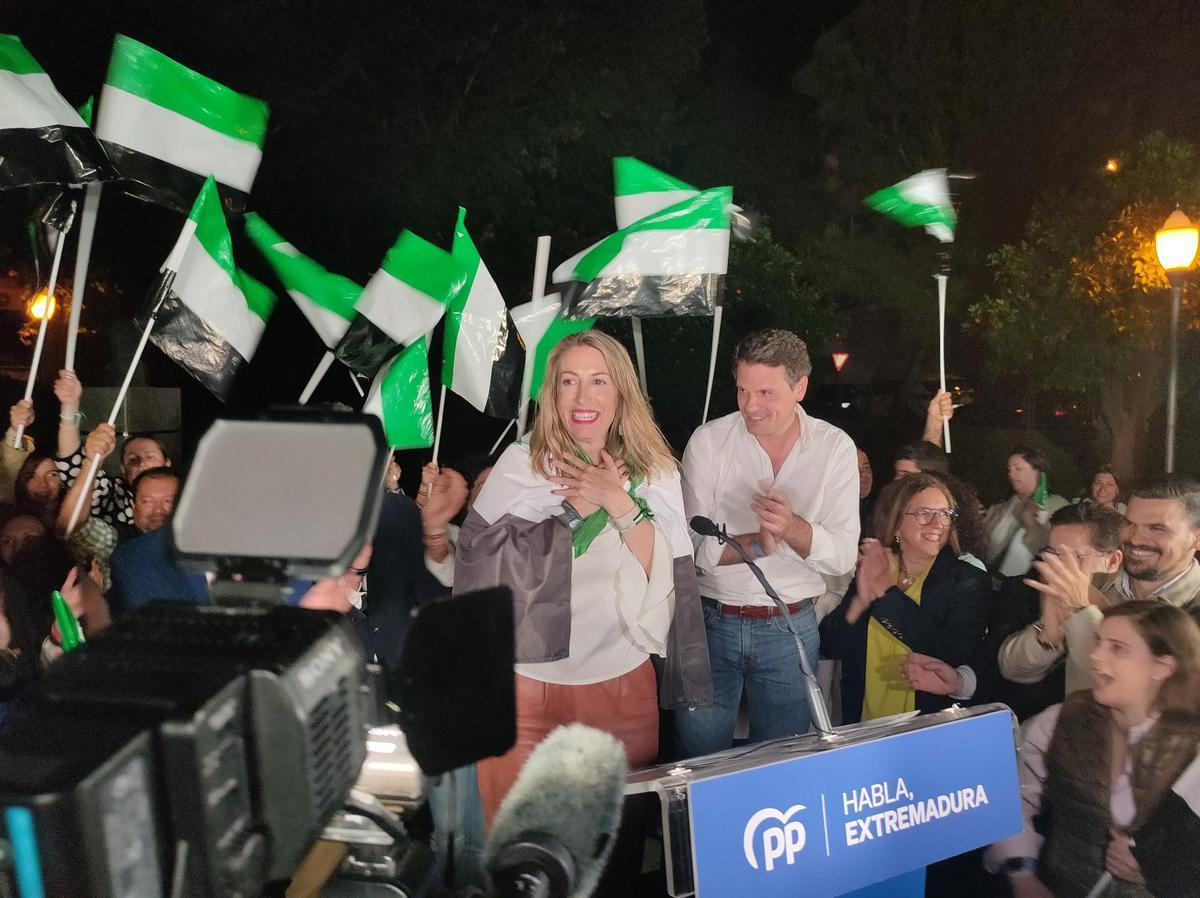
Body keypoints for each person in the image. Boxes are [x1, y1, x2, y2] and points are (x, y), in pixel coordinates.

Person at [453, 330, 708, 825]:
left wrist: (616, 501)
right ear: (552, 393)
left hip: (618, 685)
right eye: (569, 381)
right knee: (518, 843)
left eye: (598, 381)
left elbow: (674, 568)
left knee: (610, 844)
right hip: (522, 687)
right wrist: (574, 512)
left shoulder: (653, 472)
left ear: (621, 395)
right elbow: (478, 563)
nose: (582, 396)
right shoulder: (520, 464)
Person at [676, 329, 858, 754]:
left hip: (790, 625)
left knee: (783, 760)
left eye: (765, 393)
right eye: (742, 390)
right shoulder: (709, 441)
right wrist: (758, 543)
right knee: (700, 760)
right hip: (710, 621)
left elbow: (843, 556)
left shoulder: (834, 449)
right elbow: (688, 546)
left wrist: (793, 528)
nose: (750, 407)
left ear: (800, 387)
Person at [985, 601, 1200, 898]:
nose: (1095, 655)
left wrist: (1165, 871)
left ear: (1163, 666)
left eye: (1118, 648)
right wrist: (1022, 873)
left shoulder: (1192, 750)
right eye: (1099, 641)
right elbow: (1010, 794)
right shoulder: (1063, 719)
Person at [903, 501, 1125, 721]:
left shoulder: (1133, 609)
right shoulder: (1025, 590)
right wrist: (1047, 636)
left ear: (1112, 561)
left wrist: (1079, 612)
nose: (1058, 567)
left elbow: (1109, 682)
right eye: (1051, 554)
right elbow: (1006, 665)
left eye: (1074, 557)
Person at [999, 479, 1200, 697]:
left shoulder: (1193, 610)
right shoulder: (1096, 580)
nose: (1136, 539)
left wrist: (1080, 614)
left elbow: (1144, 700)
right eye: (1130, 524)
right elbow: (1012, 669)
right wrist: (1047, 637)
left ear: (1196, 538)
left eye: (1157, 528)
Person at [820, 473, 991, 723]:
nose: (937, 524)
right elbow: (830, 645)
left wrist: (887, 595)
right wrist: (860, 602)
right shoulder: (877, 568)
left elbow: (951, 653)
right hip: (863, 724)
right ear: (897, 522)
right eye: (924, 513)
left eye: (945, 514)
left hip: (928, 725)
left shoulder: (967, 579)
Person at [106, 468, 207, 617]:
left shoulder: (207, 545)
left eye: (169, 501)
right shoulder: (124, 556)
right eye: (147, 501)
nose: (158, 511)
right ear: (133, 509)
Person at [983, 447, 1069, 579]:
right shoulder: (998, 509)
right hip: (993, 581)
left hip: (1031, 585)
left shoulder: (1058, 506)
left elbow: (1054, 549)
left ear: (1038, 472)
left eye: (1018, 468)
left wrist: (1029, 519)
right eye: (1009, 469)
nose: (1011, 474)